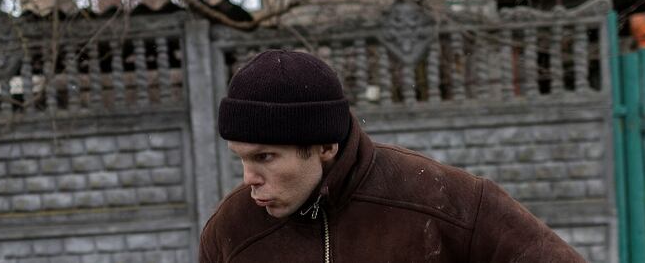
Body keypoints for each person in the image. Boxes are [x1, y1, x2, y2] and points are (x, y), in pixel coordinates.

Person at [199, 49, 587, 262]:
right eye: (241, 158)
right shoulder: (231, 232)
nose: (249, 178)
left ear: (324, 147)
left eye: (265, 157)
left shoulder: (440, 199)